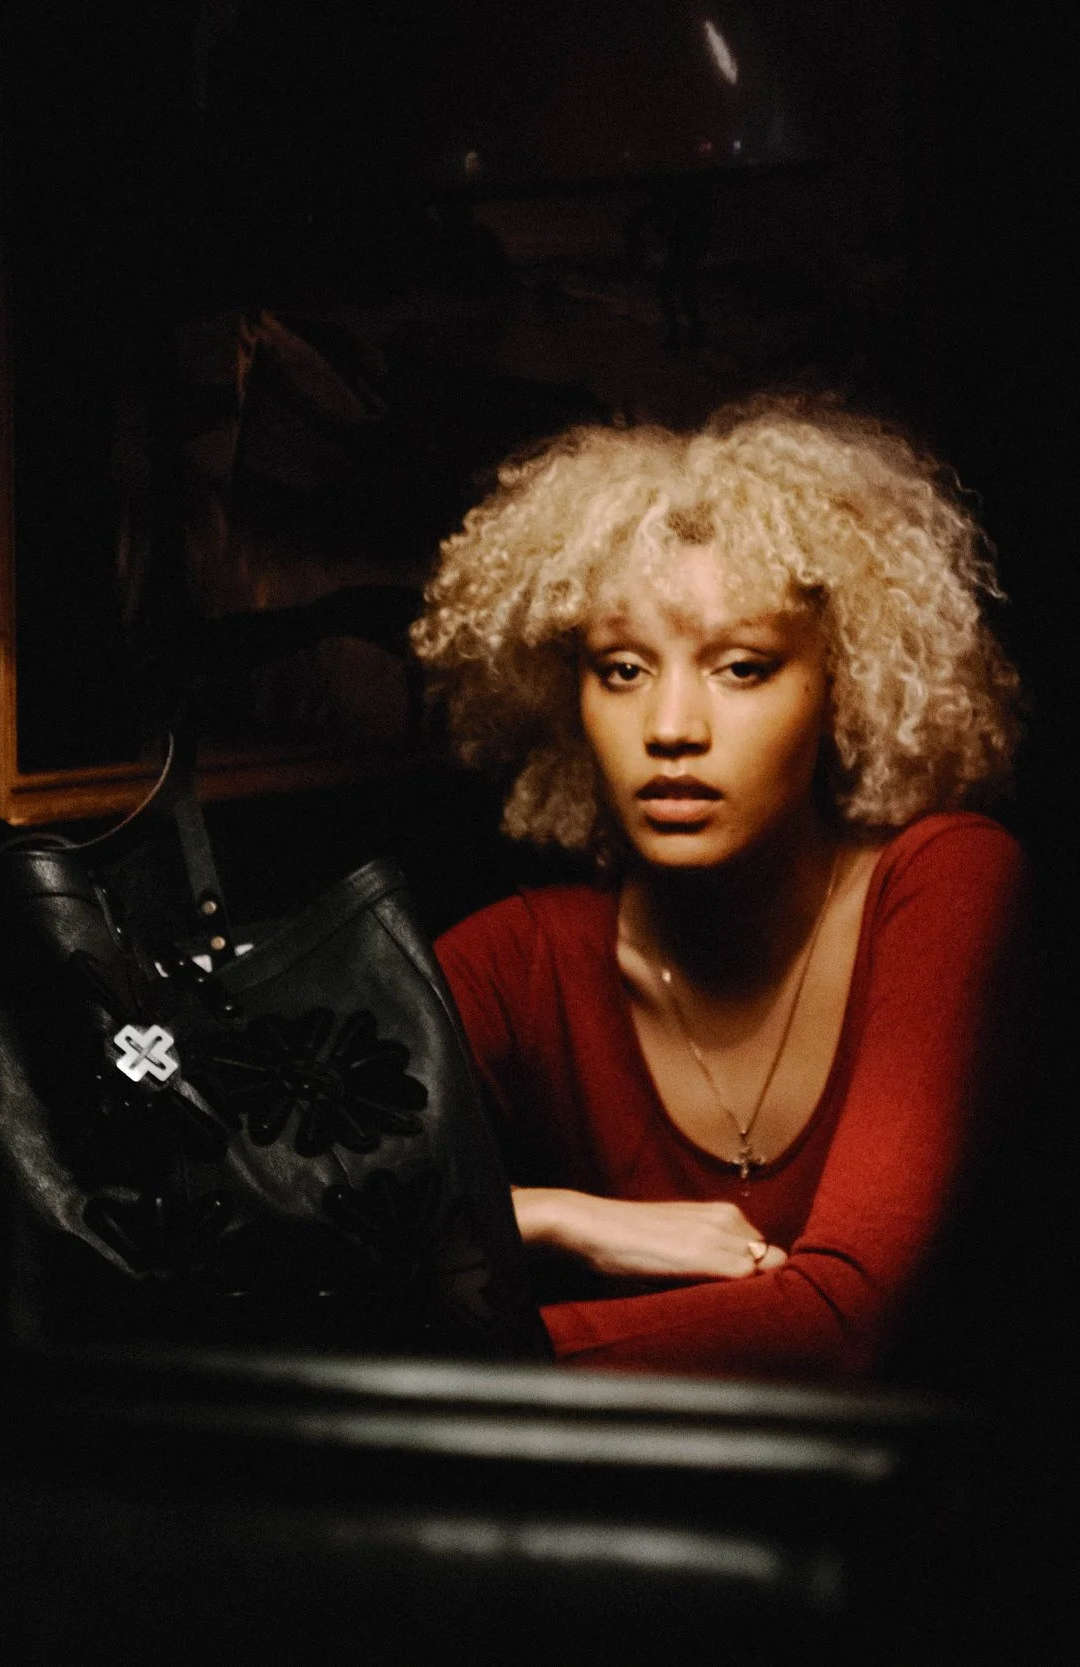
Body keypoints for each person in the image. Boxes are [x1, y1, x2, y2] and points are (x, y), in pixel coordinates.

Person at [410, 394, 1025, 1378]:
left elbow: (844, 1324)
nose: (672, 727)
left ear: (842, 684)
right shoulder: (521, 960)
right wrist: (552, 1217)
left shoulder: (944, 882)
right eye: (620, 668)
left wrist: (441, 1368)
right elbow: (246, 1221)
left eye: (742, 667)